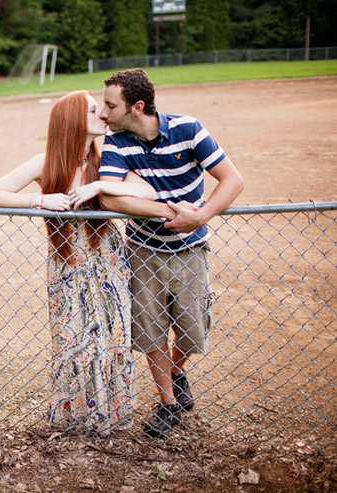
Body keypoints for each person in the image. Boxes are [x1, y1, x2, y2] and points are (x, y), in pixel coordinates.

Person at [0, 90, 156, 434]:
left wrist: (100, 185)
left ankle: (112, 417)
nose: (104, 114)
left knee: (112, 336)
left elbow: (148, 192)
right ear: (74, 119)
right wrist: (40, 199)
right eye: (94, 109)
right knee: (72, 340)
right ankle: (75, 419)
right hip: (68, 263)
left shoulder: (107, 158)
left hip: (108, 260)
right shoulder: (46, 162)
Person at [97, 69, 244, 438]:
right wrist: (168, 211)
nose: (103, 113)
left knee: (193, 334)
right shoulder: (116, 142)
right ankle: (168, 403)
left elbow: (233, 180)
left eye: (110, 105)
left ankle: (176, 371)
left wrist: (199, 216)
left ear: (138, 106)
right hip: (143, 251)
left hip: (191, 249)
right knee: (151, 333)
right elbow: (110, 195)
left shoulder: (189, 129)